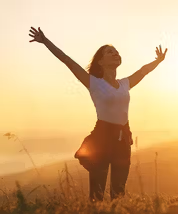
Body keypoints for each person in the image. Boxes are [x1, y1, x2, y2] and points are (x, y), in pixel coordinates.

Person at [28, 26, 167, 202]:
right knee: (97, 194)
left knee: (119, 193)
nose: (115, 53)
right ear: (100, 61)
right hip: (102, 138)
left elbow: (143, 71)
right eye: (110, 52)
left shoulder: (125, 84)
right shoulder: (93, 82)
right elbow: (67, 60)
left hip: (123, 138)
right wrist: (45, 41)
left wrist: (158, 61)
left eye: (116, 51)